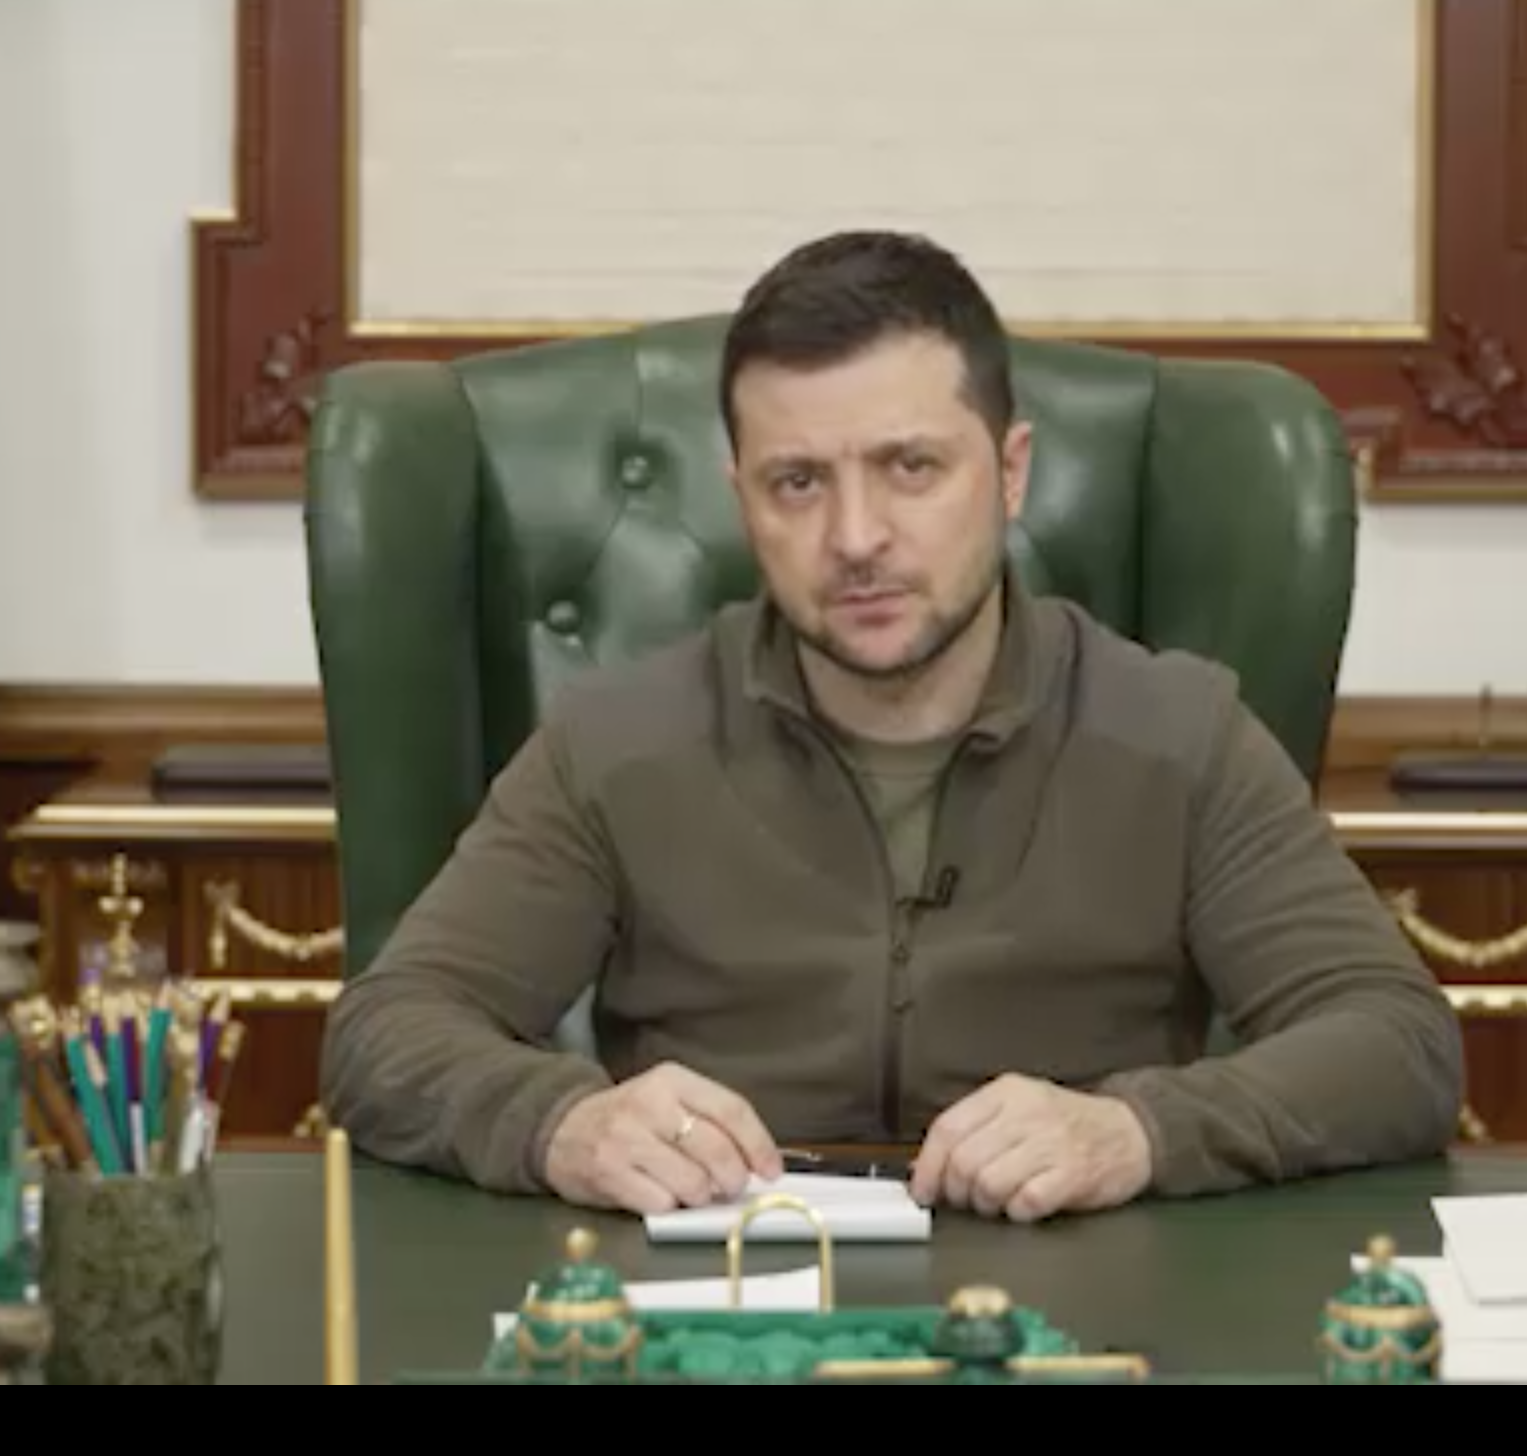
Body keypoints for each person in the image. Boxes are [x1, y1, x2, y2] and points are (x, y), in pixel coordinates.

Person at [319, 230, 1463, 1222]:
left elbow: (1398, 1042)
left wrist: (1139, 1131)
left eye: (910, 467)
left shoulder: (1177, 732)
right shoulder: (617, 740)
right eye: (798, 482)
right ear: (741, 498)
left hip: (1081, 1303)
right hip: (720, 1306)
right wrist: (559, 1123)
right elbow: (385, 1032)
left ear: (1009, 472)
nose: (856, 536)